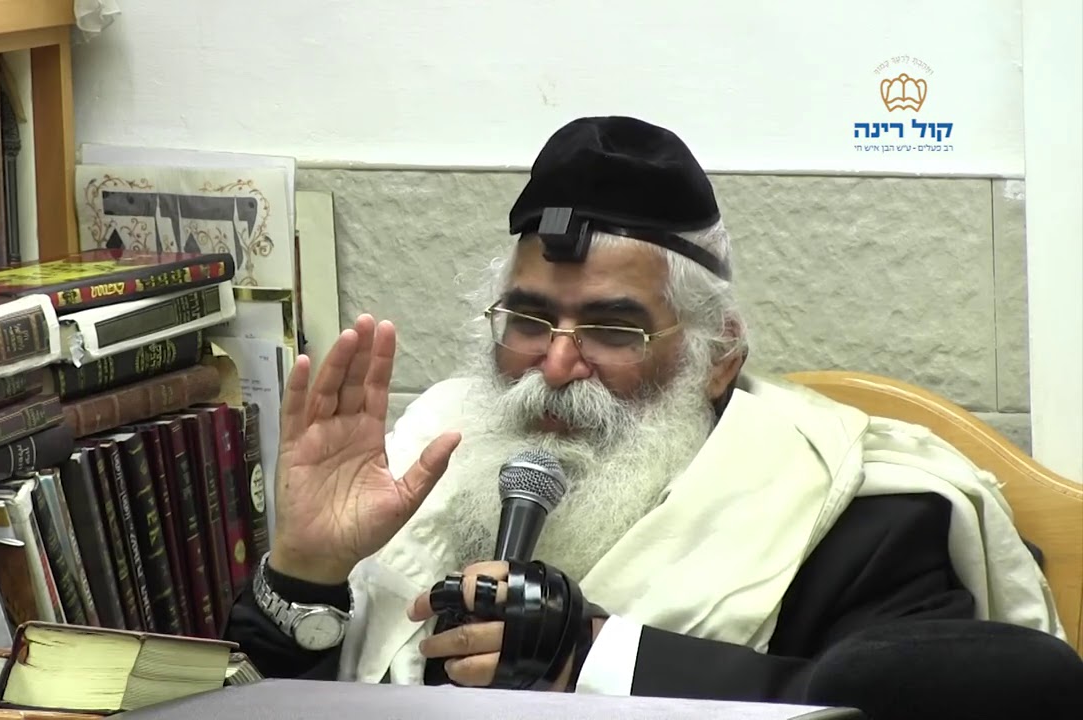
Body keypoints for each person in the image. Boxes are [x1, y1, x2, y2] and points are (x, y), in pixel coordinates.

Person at [224, 117, 1072, 704]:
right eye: (528, 321)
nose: (556, 366)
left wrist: (598, 658)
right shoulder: (425, 459)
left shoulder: (856, 520)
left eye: (613, 329)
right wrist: (307, 572)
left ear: (718, 356)